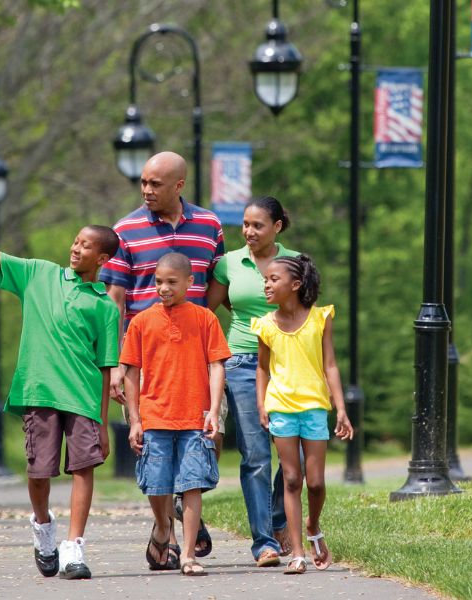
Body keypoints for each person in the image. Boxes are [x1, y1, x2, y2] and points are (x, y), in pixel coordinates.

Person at [0, 211, 120, 580]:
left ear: (103, 259)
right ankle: (43, 528)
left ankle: (74, 548)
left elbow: (105, 367)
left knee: (84, 469)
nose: (76, 249)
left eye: (86, 246)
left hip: (82, 396)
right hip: (40, 390)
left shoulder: (105, 307)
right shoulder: (40, 274)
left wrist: (103, 423)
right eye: (76, 242)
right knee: (39, 471)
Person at [101, 151, 224, 556]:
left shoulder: (209, 225)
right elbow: (114, 299)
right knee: (151, 448)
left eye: (156, 184)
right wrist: (118, 364)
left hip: (197, 357)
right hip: (146, 359)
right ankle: (162, 528)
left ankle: (189, 499)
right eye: (143, 182)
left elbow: (216, 283)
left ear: (179, 186)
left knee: (210, 434)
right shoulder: (126, 229)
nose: (146, 190)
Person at [120, 253, 231, 576]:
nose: (163, 288)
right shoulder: (141, 322)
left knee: (192, 485)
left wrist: (212, 411)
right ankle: (162, 527)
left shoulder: (204, 319)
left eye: (171, 282)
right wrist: (135, 419)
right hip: (154, 416)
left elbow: (216, 366)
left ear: (189, 282)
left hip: (194, 417)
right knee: (157, 484)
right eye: (158, 281)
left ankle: (187, 555)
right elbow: (131, 373)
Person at [205, 197, 297, 567]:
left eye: (258, 225)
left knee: (297, 454)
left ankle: (278, 520)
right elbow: (207, 312)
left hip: (290, 363)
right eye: (245, 224)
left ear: (277, 226)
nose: (249, 231)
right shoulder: (228, 263)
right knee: (256, 454)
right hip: (242, 362)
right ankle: (265, 543)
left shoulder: (294, 262)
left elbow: (305, 311)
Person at [250, 254, 354, 575]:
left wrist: (341, 409)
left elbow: (330, 365)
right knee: (292, 480)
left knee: (317, 483)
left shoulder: (320, 319)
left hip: (313, 408)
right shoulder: (265, 325)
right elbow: (262, 368)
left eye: (273, 279)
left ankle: (313, 525)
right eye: (265, 279)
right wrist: (262, 403)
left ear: (295, 285)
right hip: (281, 407)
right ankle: (297, 552)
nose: (266, 284)